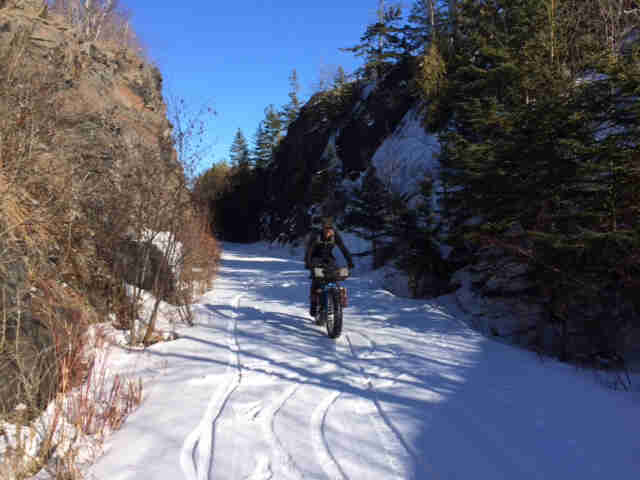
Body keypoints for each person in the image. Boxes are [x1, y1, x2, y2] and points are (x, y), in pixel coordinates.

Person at [304, 217, 354, 317]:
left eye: (330, 229)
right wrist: (308, 263)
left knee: (335, 274)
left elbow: (343, 249)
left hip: (329, 258)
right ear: (322, 228)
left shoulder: (335, 235)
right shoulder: (316, 236)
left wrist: (350, 262)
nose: (328, 231)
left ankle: (337, 297)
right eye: (326, 229)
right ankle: (314, 304)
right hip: (315, 258)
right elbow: (309, 251)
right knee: (317, 278)